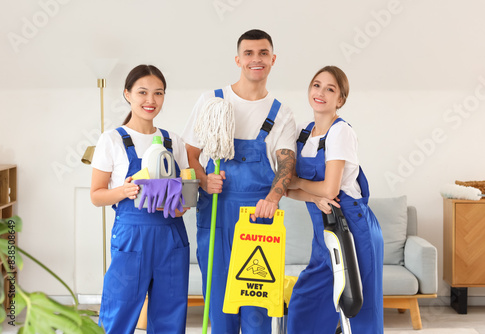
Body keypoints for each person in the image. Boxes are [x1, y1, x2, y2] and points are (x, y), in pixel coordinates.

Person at [182, 29, 296, 333]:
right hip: (217, 213)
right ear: (238, 59)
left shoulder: (281, 114)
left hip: (259, 217)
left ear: (273, 59)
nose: (255, 59)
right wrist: (205, 180)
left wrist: (272, 199)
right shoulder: (212, 101)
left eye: (262, 53)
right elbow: (189, 154)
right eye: (248, 53)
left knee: (257, 308)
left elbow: (286, 164)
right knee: (221, 306)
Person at [90, 64, 190, 334]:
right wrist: (124, 191)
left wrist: (180, 206)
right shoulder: (111, 140)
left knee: (170, 313)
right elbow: (97, 196)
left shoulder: (172, 141)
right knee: (118, 312)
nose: (150, 100)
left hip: (171, 236)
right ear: (127, 94)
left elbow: (185, 199)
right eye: (142, 92)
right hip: (131, 237)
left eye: (158, 93)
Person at [285, 66, 384, 333]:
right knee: (305, 302)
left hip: (352, 228)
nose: (321, 93)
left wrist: (298, 184)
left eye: (331, 89)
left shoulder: (340, 132)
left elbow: (330, 190)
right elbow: (286, 189)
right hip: (323, 231)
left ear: (340, 100)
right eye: (317, 85)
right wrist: (310, 196)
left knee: (359, 308)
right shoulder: (303, 134)